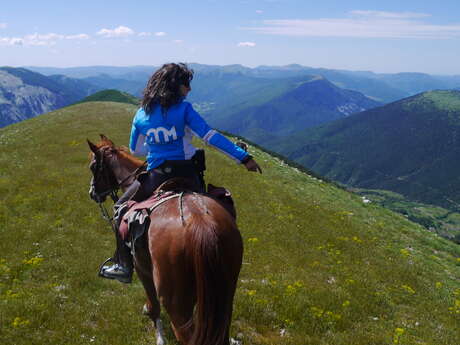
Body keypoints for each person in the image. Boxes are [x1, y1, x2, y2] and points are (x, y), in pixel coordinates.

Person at [100, 62, 262, 283]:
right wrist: (244, 158)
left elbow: (135, 149)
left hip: (156, 175)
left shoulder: (140, 115)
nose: (189, 89)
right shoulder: (185, 109)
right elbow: (209, 136)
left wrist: (157, 145)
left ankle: (123, 265)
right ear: (176, 86)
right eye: (187, 84)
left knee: (120, 210)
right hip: (189, 174)